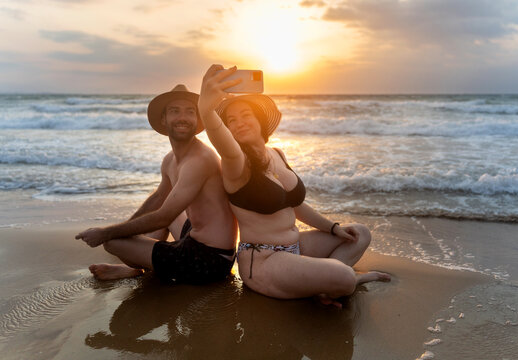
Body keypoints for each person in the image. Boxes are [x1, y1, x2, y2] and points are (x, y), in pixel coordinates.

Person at [197, 65, 390, 307]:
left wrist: (332, 228)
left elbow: (295, 205)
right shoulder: (236, 164)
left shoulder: (276, 153)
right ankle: (341, 281)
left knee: (359, 233)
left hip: (295, 247)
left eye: (246, 115)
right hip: (264, 261)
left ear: (259, 119)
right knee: (344, 277)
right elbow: (216, 133)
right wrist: (206, 108)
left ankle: (323, 284)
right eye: (231, 121)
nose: (239, 123)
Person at [76, 85, 237, 284]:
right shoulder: (170, 160)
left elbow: (163, 217)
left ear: (197, 121)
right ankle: (138, 264)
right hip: (193, 238)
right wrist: (127, 226)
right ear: (164, 119)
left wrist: (105, 232)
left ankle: (135, 268)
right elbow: (159, 198)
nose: (182, 117)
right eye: (174, 111)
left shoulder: (200, 159)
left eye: (190, 112)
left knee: (112, 242)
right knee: (165, 211)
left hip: (211, 260)